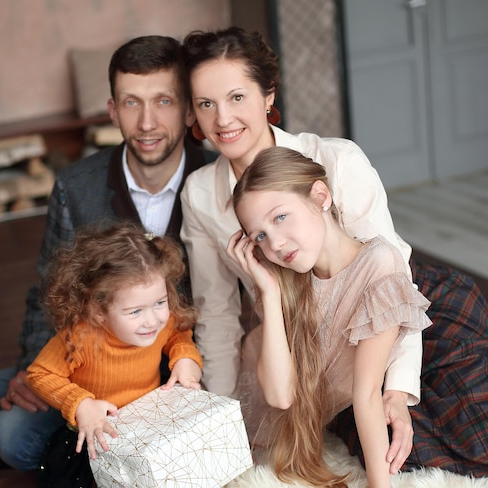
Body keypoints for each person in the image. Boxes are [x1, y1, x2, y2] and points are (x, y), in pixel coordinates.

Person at [0, 34, 215, 472]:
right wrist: (29, 373)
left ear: (189, 109)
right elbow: (47, 292)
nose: (148, 122)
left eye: (164, 101)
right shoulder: (76, 187)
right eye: (132, 103)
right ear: (112, 111)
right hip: (75, 361)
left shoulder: (214, 178)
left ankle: (66, 459)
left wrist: (189, 367)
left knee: (12, 436)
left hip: (161, 373)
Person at [179, 26, 419, 473]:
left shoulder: (335, 160)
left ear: (268, 95)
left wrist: (399, 389)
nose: (222, 120)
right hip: (300, 349)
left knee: (430, 440)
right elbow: (217, 313)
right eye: (205, 104)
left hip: (388, 325)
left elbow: (395, 275)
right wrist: (226, 416)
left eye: (236, 97)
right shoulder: (199, 194)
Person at [227, 146, 488, 486]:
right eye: (259, 235)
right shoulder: (285, 280)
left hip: (427, 311)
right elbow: (279, 397)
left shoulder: (377, 264)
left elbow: (365, 394)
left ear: (320, 196)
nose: (274, 243)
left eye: (280, 217)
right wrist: (269, 292)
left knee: (474, 426)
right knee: (423, 449)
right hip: (318, 385)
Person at [26, 221, 202, 486]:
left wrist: (185, 357)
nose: (152, 320)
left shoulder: (163, 324)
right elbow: (39, 374)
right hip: (97, 442)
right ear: (99, 311)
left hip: (149, 430)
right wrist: (81, 403)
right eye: (135, 311)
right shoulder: (81, 337)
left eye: (160, 303)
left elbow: (179, 333)